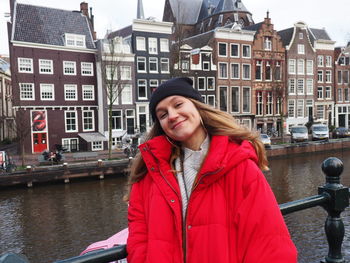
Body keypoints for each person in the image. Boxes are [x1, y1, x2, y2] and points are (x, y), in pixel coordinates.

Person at [125, 77, 297, 263]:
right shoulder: (148, 175)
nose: (172, 115)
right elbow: (138, 237)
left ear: (198, 107)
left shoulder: (238, 165)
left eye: (178, 104)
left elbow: (269, 244)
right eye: (163, 115)